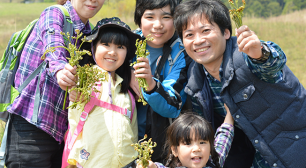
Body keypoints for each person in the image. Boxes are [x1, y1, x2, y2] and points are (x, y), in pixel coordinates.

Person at [173, 0, 306, 168]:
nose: (198, 41)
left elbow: (272, 63)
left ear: (226, 32)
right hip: (257, 159)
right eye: (189, 35)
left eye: (206, 30)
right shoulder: (195, 84)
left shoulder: (245, 54)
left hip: (297, 149)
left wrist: (260, 54)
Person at [5, 0, 105, 167]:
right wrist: (60, 70)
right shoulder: (54, 13)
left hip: (64, 134)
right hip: (31, 128)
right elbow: (53, 46)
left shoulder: (90, 32)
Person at [62, 17, 141, 168]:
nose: (112, 52)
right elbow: (73, 97)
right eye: (105, 44)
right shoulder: (84, 80)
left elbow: (133, 132)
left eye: (120, 47)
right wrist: (74, 91)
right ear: (93, 47)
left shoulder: (127, 92)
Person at [131, 0, 192, 163]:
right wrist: (126, 70)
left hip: (163, 146)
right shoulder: (127, 43)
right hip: (124, 143)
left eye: (166, 17)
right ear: (139, 19)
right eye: (150, 16)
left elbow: (172, 107)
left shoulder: (183, 52)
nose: (158, 25)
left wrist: (150, 84)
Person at [137, 104, 234, 168]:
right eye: (188, 143)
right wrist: (152, 166)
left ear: (210, 149)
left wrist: (230, 114)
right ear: (175, 150)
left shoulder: (214, 162)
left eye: (202, 142)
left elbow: (223, 138)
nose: (197, 148)